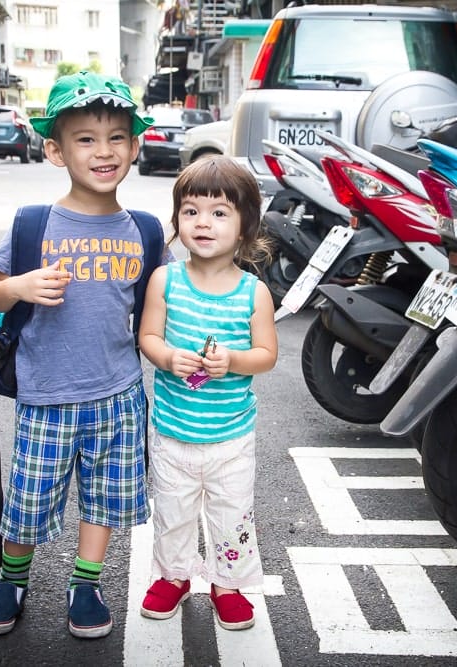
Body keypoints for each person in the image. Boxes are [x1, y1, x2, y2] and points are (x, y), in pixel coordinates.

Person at [0, 71, 161, 639]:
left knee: (104, 499)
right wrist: (20, 287)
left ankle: (87, 582)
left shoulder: (145, 232)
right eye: (85, 139)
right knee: (28, 500)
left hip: (119, 394)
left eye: (117, 138)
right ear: (55, 150)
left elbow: (161, 303)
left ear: (134, 146)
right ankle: (12, 579)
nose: (104, 151)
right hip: (47, 394)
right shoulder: (35, 224)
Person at [137, 155, 278, 631]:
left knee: (231, 513)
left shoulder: (253, 292)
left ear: (244, 227)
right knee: (173, 511)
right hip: (174, 430)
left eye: (220, 213)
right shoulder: (166, 279)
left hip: (231, 435)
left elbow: (266, 354)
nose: (203, 222)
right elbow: (149, 337)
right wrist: (166, 357)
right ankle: (173, 577)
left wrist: (233, 361)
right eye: (191, 210)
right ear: (177, 219)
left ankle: (227, 583)